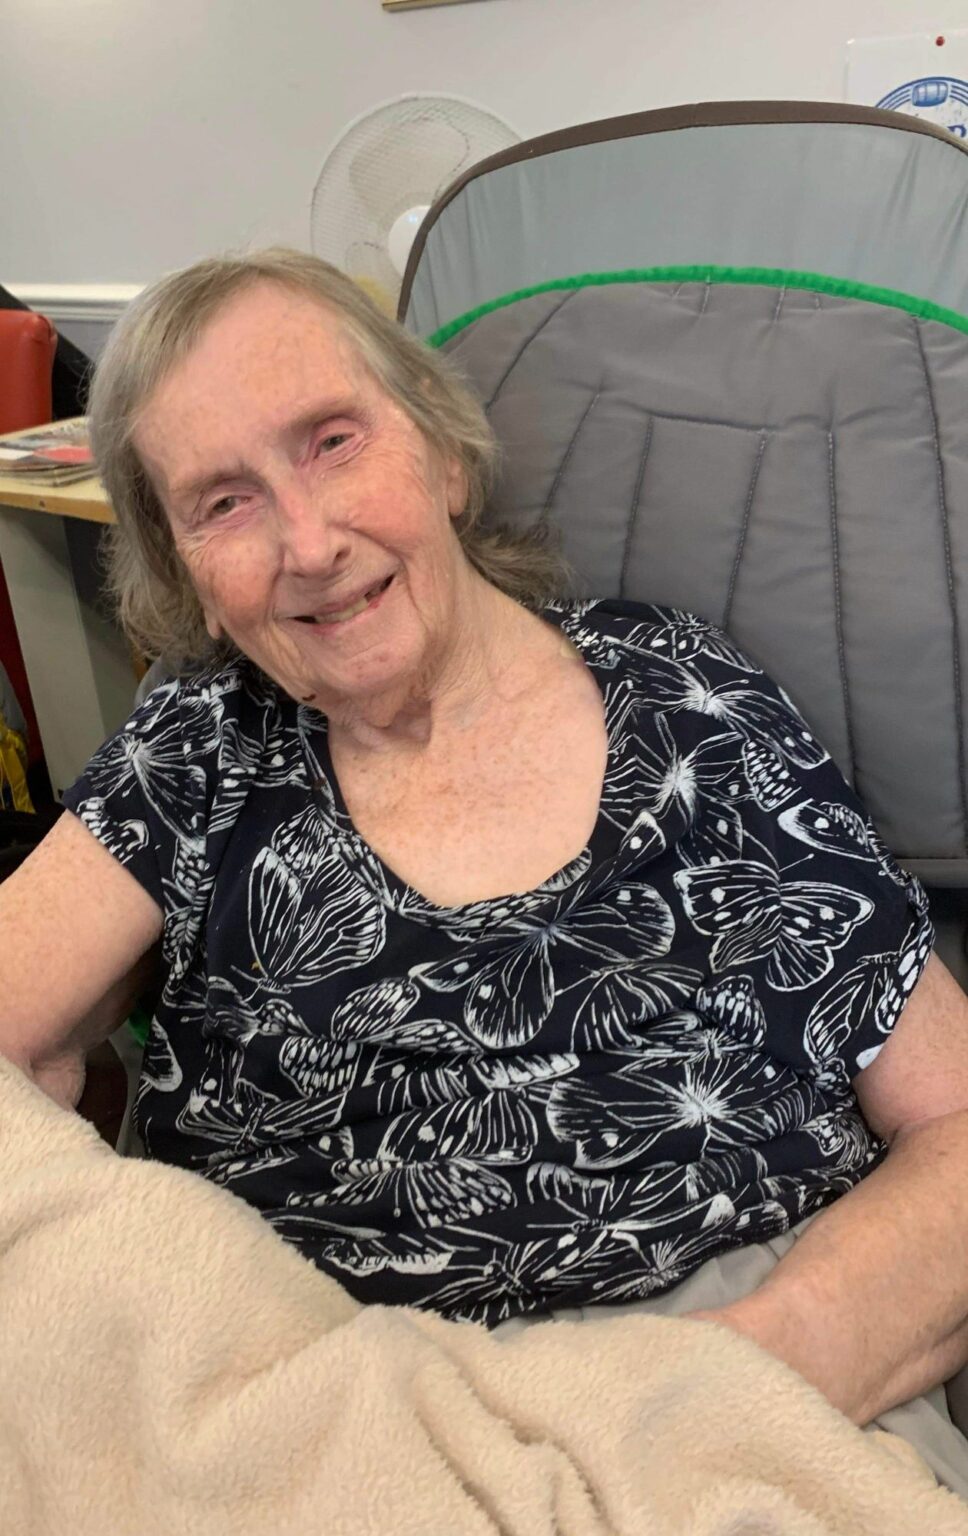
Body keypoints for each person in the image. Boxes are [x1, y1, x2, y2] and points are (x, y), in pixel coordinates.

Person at [4, 248, 968, 1483]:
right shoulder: (202, 742)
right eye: (223, 504)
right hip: (307, 1410)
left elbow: (953, 1119)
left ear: (443, 454)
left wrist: (730, 1383)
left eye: (332, 442)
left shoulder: (687, 699)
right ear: (185, 572)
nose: (308, 542)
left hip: (741, 1376)